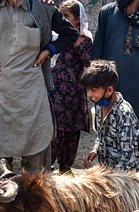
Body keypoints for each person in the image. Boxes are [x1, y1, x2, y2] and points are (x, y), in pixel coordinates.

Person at [0, 0, 79, 181]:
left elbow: (70, 34)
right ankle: (1, 203)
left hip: (33, 92)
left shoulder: (43, 8)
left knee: (36, 158)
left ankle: (34, 204)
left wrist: (49, 50)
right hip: (0, 91)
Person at [81, 60, 139, 212]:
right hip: (108, 177)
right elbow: (101, 136)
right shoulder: (99, 107)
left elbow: (128, 156)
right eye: (88, 90)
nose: (90, 95)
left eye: (93, 90)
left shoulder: (124, 114)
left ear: (109, 89)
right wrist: (95, 150)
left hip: (125, 181)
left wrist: (112, 185)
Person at [92, 0, 139, 163]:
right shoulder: (107, 13)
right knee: (107, 131)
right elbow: (97, 48)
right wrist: (95, 81)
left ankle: (134, 179)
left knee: (137, 134)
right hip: (110, 88)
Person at [51, 0, 93, 175]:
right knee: (54, 134)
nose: (64, 20)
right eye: (61, 17)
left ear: (77, 19)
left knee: (71, 134)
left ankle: (65, 168)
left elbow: (90, 63)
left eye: (66, 16)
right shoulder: (54, 38)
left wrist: (76, 41)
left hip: (74, 96)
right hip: (55, 95)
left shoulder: (84, 40)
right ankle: (45, 168)